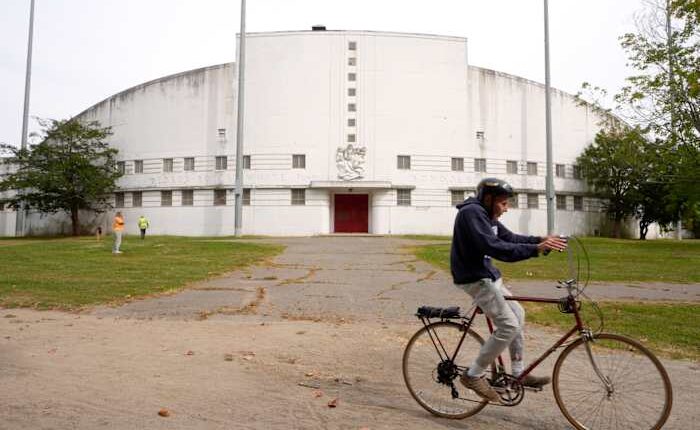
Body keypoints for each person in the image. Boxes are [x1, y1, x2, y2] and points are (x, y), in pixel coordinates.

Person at [451, 178, 567, 403]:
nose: (506, 208)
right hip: (474, 278)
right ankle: (473, 374)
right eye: (503, 203)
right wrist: (535, 249)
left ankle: (518, 373)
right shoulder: (472, 214)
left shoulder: (487, 215)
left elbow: (509, 238)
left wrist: (540, 240)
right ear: (488, 199)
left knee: (518, 315)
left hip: (488, 276)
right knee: (509, 325)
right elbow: (494, 247)